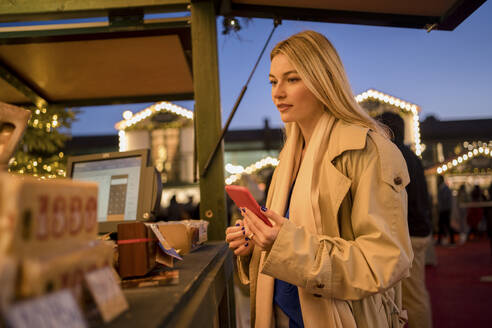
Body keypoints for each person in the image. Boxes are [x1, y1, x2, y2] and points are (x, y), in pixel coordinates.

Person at [225, 31, 413, 328]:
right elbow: (285, 243)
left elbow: (384, 261)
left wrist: (284, 245)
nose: (278, 93)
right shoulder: (289, 156)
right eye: (273, 82)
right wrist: (255, 244)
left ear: (323, 80)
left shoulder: (370, 151)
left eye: (292, 79)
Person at [378, 112, 433, 328]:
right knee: (413, 294)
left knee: (413, 297)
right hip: (418, 231)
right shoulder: (411, 156)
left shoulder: (393, 155)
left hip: (409, 234)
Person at [437, 175, 455, 245]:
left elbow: (445, 200)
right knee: (444, 225)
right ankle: (449, 240)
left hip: (444, 210)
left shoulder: (444, 188)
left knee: (444, 225)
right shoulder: (444, 188)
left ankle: (450, 240)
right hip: (445, 209)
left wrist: (442, 209)